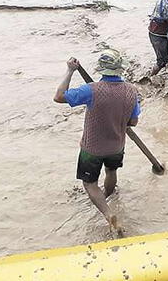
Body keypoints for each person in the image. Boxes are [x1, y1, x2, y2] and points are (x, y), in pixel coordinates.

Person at [53, 49, 140, 235]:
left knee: (90, 183)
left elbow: (59, 96)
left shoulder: (91, 90)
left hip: (92, 148)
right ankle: (107, 196)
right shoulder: (132, 92)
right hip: (117, 145)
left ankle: (108, 214)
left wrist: (70, 71)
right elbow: (133, 122)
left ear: (102, 70)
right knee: (111, 171)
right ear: (120, 69)